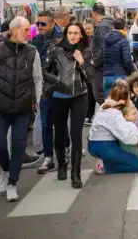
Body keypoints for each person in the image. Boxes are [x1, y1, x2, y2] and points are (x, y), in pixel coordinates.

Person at [0, 17, 44, 202]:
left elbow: (38, 78)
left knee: (18, 146)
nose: (29, 33)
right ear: (14, 30)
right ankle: (7, 170)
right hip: (0, 106)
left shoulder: (32, 52)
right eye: (26, 30)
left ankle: (12, 182)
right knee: (0, 145)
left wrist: (36, 102)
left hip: (23, 108)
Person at [41, 22, 90, 189]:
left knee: (76, 134)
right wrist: (58, 81)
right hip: (59, 96)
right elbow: (44, 71)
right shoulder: (55, 50)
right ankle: (61, 164)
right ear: (66, 34)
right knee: (59, 133)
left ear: (81, 35)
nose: (73, 36)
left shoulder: (86, 51)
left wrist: (82, 62)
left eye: (76, 33)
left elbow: (92, 78)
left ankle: (75, 174)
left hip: (80, 96)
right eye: (70, 33)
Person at [87, 80, 138, 174]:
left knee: (126, 155)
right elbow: (126, 136)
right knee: (136, 164)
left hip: (92, 144)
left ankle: (106, 161)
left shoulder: (105, 105)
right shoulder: (115, 113)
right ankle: (105, 167)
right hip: (105, 146)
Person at [32, 10, 62, 172]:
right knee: (45, 124)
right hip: (44, 89)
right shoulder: (36, 40)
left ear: (52, 23)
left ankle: (65, 149)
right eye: (38, 23)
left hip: (60, 88)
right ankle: (49, 157)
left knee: (61, 123)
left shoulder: (61, 39)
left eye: (43, 24)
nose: (40, 27)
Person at [103, 18, 136, 98]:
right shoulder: (123, 41)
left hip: (106, 77)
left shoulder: (106, 39)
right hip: (120, 76)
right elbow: (127, 60)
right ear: (124, 27)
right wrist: (132, 72)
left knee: (110, 104)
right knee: (122, 104)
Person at [90, 3, 115, 105]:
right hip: (107, 66)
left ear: (94, 13)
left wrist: (95, 62)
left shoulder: (103, 26)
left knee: (100, 95)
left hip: (102, 67)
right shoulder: (109, 24)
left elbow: (104, 46)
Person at [82, 18, 98, 125]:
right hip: (84, 71)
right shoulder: (82, 39)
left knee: (92, 94)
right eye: (85, 28)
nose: (87, 30)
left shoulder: (96, 40)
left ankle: (90, 115)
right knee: (87, 94)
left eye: (89, 28)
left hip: (94, 71)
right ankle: (87, 115)